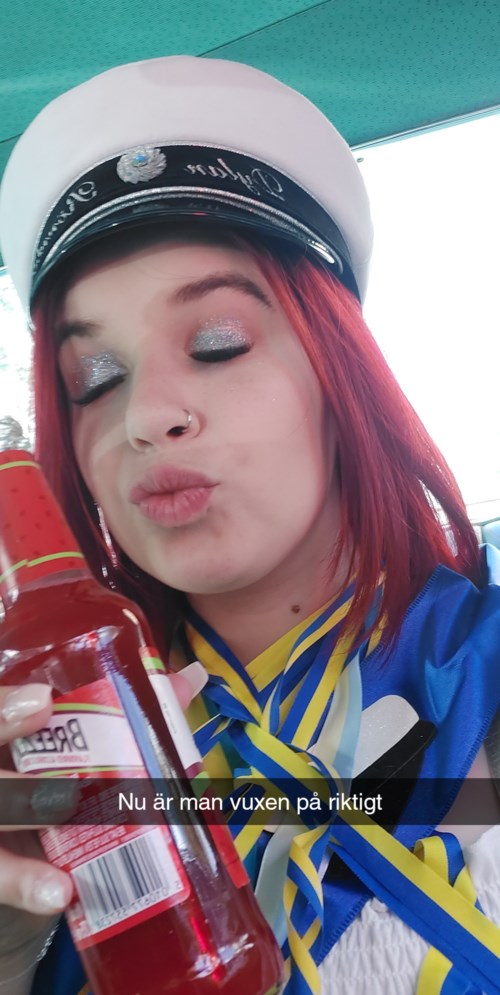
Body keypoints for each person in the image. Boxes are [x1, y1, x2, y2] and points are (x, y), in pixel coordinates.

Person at [0, 56, 499, 995]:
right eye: (93, 380)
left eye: (217, 343)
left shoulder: (482, 669)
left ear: (339, 375)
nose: (147, 414)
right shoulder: (53, 765)